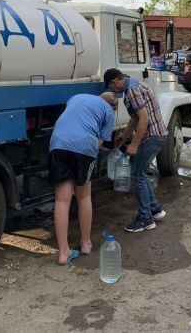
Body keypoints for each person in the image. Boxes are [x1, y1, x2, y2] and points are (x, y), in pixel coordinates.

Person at [49, 92, 117, 265]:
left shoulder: (76, 97)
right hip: (84, 146)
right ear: (112, 105)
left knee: (62, 200)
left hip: (58, 143)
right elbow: (100, 141)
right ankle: (85, 243)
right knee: (84, 196)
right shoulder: (109, 111)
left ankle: (63, 252)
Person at [103, 68, 168, 233]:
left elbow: (144, 118)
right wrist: (125, 136)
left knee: (137, 175)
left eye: (112, 88)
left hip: (152, 137)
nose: (113, 91)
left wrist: (134, 144)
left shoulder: (131, 90)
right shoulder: (133, 84)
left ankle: (145, 219)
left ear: (115, 82)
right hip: (157, 135)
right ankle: (155, 210)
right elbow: (135, 116)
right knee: (141, 173)